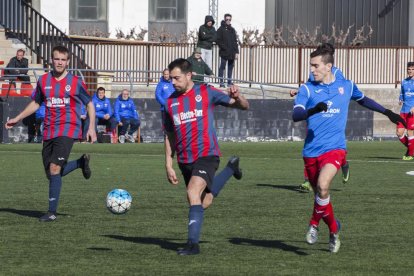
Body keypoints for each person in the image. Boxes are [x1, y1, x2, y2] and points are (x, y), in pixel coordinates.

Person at [292, 44, 405, 253]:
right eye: (311, 66)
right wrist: (313, 109)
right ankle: (334, 230)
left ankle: (314, 224)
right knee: (321, 197)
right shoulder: (307, 88)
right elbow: (296, 114)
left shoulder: (346, 85)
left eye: (315, 66)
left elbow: (364, 100)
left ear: (328, 67)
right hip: (311, 152)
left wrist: (387, 112)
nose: (312, 70)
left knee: (324, 186)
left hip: (335, 148)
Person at [163, 58, 249, 255]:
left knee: (192, 192)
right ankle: (231, 168)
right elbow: (169, 135)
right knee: (203, 202)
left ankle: (193, 244)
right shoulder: (169, 103)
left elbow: (243, 106)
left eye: (176, 78)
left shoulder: (205, 92)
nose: (173, 82)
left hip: (207, 154)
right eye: (171, 79)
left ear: (189, 75)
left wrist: (238, 96)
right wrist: (169, 163)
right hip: (185, 159)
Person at [5, 45, 97, 222]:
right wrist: (17, 118)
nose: (60, 62)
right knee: (51, 173)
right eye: (57, 59)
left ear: (68, 62)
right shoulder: (43, 81)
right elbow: (36, 103)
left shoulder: (76, 82)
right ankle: (80, 163)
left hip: (68, 127)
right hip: (49, 129)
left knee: (55, 169)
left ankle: (51, 212)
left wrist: (91, 127)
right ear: (52, 60)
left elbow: (90, 104)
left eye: (63, 60)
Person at [290, 43, 349, 192]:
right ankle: (308, 180)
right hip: (316, 112)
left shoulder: (338, 73)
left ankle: (343, 162)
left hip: (331, 112)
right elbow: (311, 88)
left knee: (330, 145)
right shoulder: (314, 72)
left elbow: (340, 88)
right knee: (312, 140)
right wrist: (299, 93)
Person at [397, 62, 414, 160]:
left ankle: (411, 154)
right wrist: (400, 99)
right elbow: (402, 93)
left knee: (410, 132)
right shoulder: (404, 81)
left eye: (412, 69)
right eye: (409, 69)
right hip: (403, 110)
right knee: (399, 132)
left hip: (412, 111)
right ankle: (411, 148)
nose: (410, 71)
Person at [216, 13, 239, 88]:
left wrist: (236, 52)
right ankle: (221, 82)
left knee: (230, 67)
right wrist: (223, 47)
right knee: (222, 67)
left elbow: (235, 41)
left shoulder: (232, 29)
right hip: (224, 52)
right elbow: (217, 40)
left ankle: (229, 82)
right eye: (227, 19)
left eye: (229, 19)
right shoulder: (221, 29)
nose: (228, 21)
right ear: (224, 19)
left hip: (232, 52)